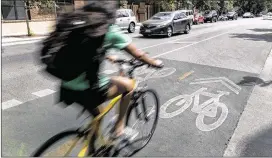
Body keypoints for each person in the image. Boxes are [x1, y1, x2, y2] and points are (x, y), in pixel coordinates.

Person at [58, 2, 163, 140]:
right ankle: (119, 128)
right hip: (88, 89)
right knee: (130, 86)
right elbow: (138, 55)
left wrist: (107, 55)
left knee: (98, 114)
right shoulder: (109, 30)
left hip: (66, 87)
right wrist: (154, 62)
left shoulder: (81, 26)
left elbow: (84, 50)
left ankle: (92, 149)